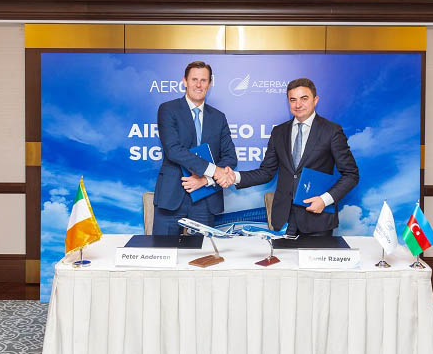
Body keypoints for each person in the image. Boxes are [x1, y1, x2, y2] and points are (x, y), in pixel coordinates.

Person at [221, 78, 358, 236]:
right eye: (293, 100)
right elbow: (266, 172)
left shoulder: (331, 131)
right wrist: (235, 177)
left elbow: (351, 174)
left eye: (304, 98)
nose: (298, 104)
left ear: (315, 100)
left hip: (317, 219)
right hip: (283, 219)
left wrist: (324, 200)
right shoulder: (279, 132)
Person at [152, 61, 237, 235]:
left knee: (203, 251)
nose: (198, 85)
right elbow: (173, 150)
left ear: (209, 84)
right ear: (185, 81)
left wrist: (205, 180)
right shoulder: (168, 109)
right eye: (194, 79)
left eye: (203, 80)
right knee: (163, 249)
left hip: (205, 198)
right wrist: (214, 170)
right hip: (172, 196)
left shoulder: (219, 117)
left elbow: (230, 157)